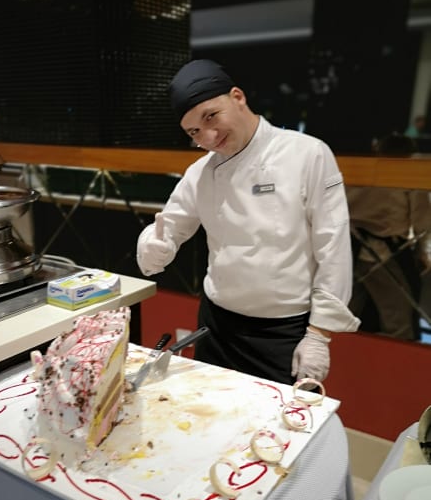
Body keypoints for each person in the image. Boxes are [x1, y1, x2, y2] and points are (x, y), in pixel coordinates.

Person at [136, 59, 360, 385]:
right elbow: (166, 227)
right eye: (194, 132)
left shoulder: (307, 154)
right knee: (211, 410)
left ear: (238, 97)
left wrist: (319, 335)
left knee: (279, 417)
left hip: (283, 332)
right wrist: (153, 246)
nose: (209, 136)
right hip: (217, 326)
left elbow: (333, 246)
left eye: (211, 116)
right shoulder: (201, 173)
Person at [347, 133, 431, 341]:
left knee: (346, 312)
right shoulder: (409, 175)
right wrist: (422, 252)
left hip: (350, 251)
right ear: (409, 155)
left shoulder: (360, 171)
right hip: (387, 255)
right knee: (400, 322)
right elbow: (422, 222)